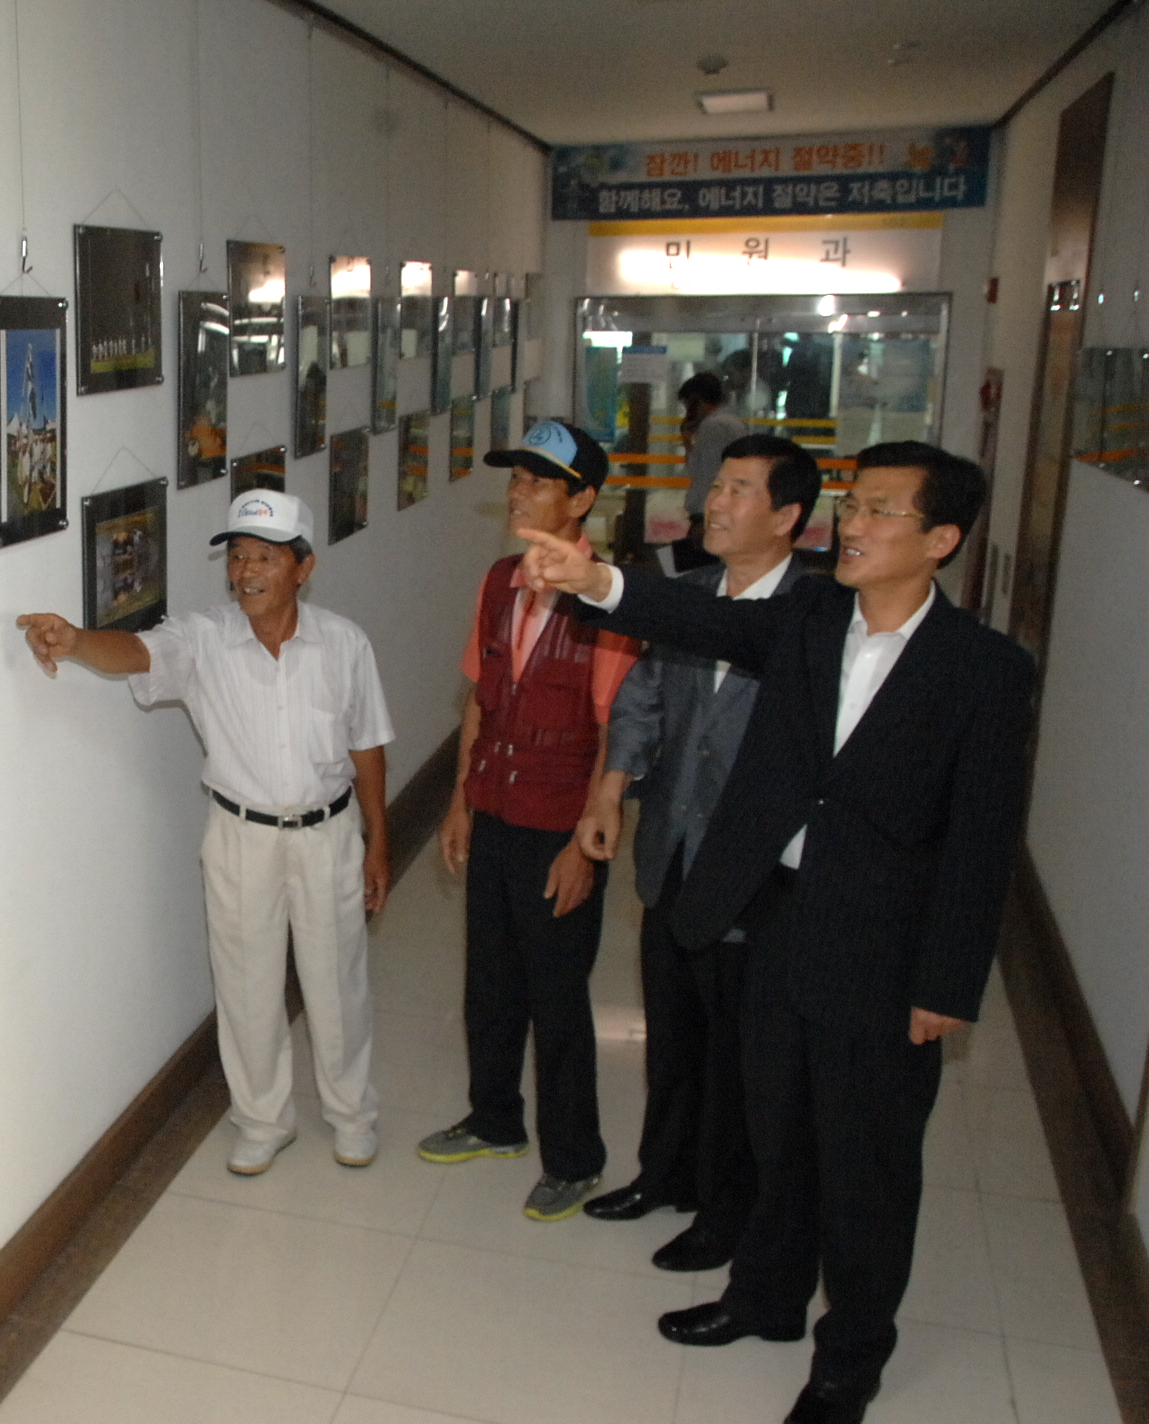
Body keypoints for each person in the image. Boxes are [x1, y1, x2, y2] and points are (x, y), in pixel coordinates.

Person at [517, 442, 1035, 1424]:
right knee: (772, 1125)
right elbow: (700, 614)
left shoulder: (982, 670)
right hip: (771, 913)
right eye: (851, 504)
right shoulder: (805, 617)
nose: (852, 523)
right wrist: (596, 579)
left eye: (880, 510)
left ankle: (850, 1353)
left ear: (939, 540)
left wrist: (945, 982)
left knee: (864, 1159)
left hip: (882, 948)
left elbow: (980, 841)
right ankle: (761, 1298)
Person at [17, 491, 394, 1175]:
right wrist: (75, 640)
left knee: (337, 981)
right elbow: (134, 652)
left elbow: (368, 747)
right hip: (239, 836)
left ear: (302, 569)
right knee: (246, 982)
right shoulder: (203, 640)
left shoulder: (344, 644)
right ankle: (262, 1117)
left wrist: (379, 841)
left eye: (265, 558)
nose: (246, 572)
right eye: (238, 557)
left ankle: (351, 1112)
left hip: (327, 834)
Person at [574, 435, 821, 1274]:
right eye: (716, 487)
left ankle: (725, 1212)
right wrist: (611, 789)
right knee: (672, 1030)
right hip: (671, 854)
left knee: (735, 1054)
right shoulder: (687, 595)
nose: (714, 504)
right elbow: (642, 699)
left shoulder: (813, 622)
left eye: (739, 491)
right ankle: (662, 1174)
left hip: (754, 878)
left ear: (788, 517)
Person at [419, 420, 640, 1222]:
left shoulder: (608, 599)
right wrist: (458, 801)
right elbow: (482, 698)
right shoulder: (497, 582)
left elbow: (619, 731)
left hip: (562, 823)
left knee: (558, 997)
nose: (518, 493)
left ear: (582, 499)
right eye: (516, 479)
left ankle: (576, 1159)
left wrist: (587, 842)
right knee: (489, 980)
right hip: (498, 807)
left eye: (538, 481)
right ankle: (493, 1118)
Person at [677, 372, 749, 563]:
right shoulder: (732, 422)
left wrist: (701, 516)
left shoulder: (712, 426)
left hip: (708, 514)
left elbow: (706, 474)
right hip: (722, 511)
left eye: (687, 405)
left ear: (696, 401)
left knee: (696, 576)